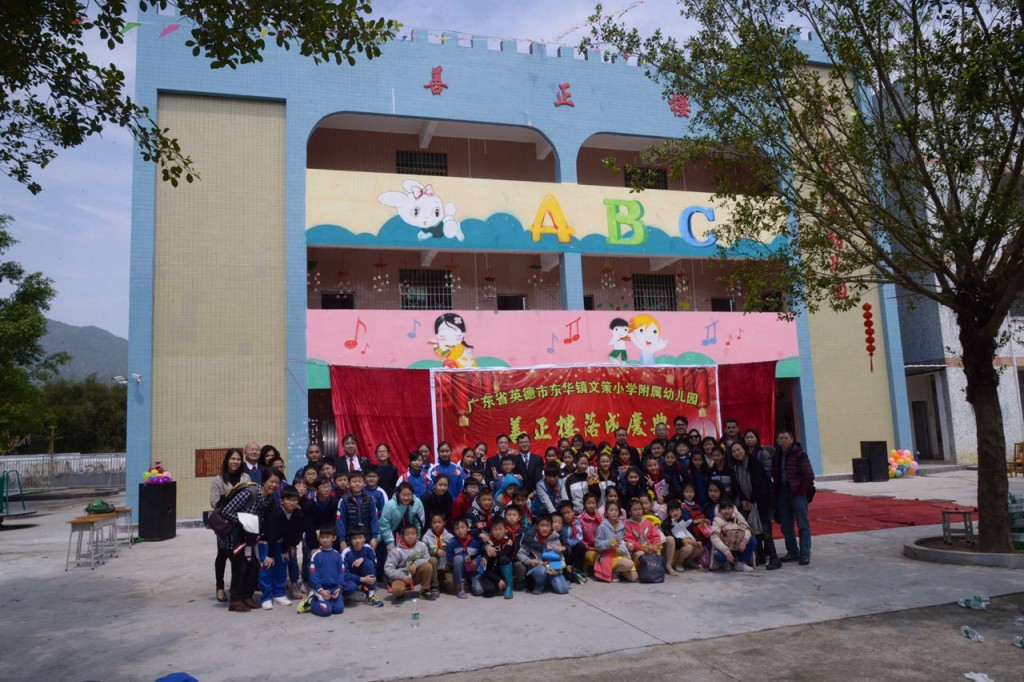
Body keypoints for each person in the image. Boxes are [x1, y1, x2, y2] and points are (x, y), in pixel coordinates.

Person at [220, 468, 282, 612]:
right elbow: (226, 511)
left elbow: (273, 517)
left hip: (250, 539)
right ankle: (235, 601)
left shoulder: (271, 499)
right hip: (234, 538)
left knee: (253, 566)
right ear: (263, 481)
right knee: (240, 567)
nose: (274, 485)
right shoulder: (249, 493)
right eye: (271, 481)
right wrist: (244, 522)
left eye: (277, 482)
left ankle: (247, 596)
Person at [731, 441, 781, 570]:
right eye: (734, 451)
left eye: (738, 449)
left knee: (765, 529)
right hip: (750, 502)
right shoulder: (737, 466)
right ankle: (761, 557)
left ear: (744, 449)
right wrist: (744, 500)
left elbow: (759, 484)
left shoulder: (753, 463)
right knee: (754, 528)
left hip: (762, 501)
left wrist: (752, 500)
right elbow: (740, 486)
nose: (736, 453)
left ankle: (774, 558)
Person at [210, 448, 250, 603]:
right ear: (227, 460)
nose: (235, 462)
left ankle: (236, 587)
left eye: (238, 459)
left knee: (238, 557)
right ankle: (220, 587)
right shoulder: (219, 479)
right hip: (225, 524)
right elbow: (214, 502)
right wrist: (230, 497)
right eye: (233, 459)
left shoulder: (245, 477)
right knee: (222, 555)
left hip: (241, 522)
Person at [772, 430, 815, 565]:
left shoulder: (800, 454)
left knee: (803, 525)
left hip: (797, 494)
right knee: (786, 525)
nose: (783, 440)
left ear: (791, 439)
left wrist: (800, 490)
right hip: (782, 493)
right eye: (781, 438)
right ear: (777, 441)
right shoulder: (777, 455)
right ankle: (792, 552)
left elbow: (809, 475)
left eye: (786, 438)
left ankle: (805, 554)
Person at [259, 486, 304, 609]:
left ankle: (279, 594)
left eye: (294, 500)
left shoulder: (297, 513)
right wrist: (270, 555)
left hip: (281, 542)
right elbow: (272, 536)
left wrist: (287, 549)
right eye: (288, 500)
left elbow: (293, 532)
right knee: (267, 568)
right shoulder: (276, 514)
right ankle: (266, 597)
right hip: (266, 543)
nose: (291, 502)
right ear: (282, 501)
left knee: (282, 566)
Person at [301, 476, 338, 587]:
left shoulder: (334, 502)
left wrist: (330, 538)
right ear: (316, 489)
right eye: (323, 487)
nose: (327, 489)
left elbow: (333, 522)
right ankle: (307, 582)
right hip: (312, 536)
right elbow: (309, 525)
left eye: (328, 486)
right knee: (310, 560)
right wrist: (314, 545)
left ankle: (325, 583)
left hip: (329, 535)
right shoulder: (309, 504)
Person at [518, 514, 569, 595]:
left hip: (553, 569)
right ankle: (540, 584)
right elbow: (520, 553)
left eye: (547, 526)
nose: (545, 528)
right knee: (541, 571)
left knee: (563, 590)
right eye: (542, 525)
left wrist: (556, 571)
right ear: (537, 527)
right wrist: (529, 561)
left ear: (551, 527)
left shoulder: (556, 538)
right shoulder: (532, 539)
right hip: (539, 568)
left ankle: (550, 581)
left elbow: (562, 562)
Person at [385, 525, 438, 603]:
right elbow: (388, 568)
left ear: (417, 535)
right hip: (401, 577)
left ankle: (424, 590)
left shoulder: (422, 545)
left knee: (427, 566)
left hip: (415, 574)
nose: (410, 537)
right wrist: (402, 576)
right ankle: (401, 593)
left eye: (413, 534)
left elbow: (426, 558)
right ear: (402, 536)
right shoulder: (396, 551)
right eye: (407, 534)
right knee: (397, 590)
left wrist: (416, 564)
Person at [335, 470, 380, 552]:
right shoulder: (344, 500)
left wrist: (374, 537)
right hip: (349, 538)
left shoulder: (370, 498)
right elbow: (340, 521)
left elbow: (374, 518)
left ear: (364, 483)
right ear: (348, 484)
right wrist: (342, 540)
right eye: (354, 481)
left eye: (360, 481)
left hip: (367, 537)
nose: (357, 484)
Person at [306, 526, 345, 617]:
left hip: (334, 589)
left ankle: (327, 603)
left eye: (327, 537)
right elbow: (313, 574)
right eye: (322, 537)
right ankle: (311, 601)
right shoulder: (316, 555)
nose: (324, 540)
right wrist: (320, 590)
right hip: (321, 588)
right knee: (326, 611)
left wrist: (339, 587)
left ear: (334, 538)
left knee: (339, 609)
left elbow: (341, 573)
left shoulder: (338, 555)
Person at [341, 526, 384, 607]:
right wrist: (361, 579)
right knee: (350, 587)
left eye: (360, 537)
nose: (358, 541)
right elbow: (343, 574)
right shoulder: (346, 552)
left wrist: (363, 559)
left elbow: (374, 564)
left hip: (365, 579)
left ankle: (371, 595)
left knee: (369, 563)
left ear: (364, 538)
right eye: (354, 538)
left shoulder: (368, 548)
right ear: (350, 540)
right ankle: (347, 595)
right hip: (352, 580)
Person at [593, 502, 636, 583]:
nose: (614, 512)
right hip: (607, 556)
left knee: (634, 577)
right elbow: (597, 545)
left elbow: (623, 540)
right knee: (629, 564)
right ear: (606, 513)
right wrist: (609, 542)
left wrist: (627, 544)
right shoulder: (602, 527)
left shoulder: (622, 525)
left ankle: (619, 570)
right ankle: (615, 571)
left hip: (621, 554)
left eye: (616, 510)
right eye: (611, 510)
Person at [709, 498, 757, 572]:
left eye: (729, 508)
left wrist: (744, 541)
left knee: (753, 541)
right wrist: (726, 552)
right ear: (720, 510)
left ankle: (741, 562)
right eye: (724, 509)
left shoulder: (737, 516)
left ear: (732, 509)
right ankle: (726, 563)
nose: (727, 511)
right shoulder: (717, 520)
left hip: (738, 547)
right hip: (725, 549)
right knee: (719, 555)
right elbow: (714, 538)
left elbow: (747, 529)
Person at [378, 482, 426, 552]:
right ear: (398, 494)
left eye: (409, 495)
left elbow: (420, 522)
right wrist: (390, 543)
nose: (406, 498)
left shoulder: (417, 503)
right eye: (403, 495)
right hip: (391, 531)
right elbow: (384, 525)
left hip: (410, 529)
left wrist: (417, 538)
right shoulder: (390, 505)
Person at [478, 517, 516, 599]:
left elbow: (506, 553)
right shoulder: (488, 544)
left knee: (504, 559)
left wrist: (492, 553)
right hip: (492, 573)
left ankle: (509, 586)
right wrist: (498, 580)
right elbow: (486, 569)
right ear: (491, 531)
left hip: (505, 571)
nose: (498, 532)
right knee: (488, 591)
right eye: (495, 529)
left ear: (505, 529)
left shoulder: (509, 540)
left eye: (500, 529)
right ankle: (500, 585)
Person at [445, 517, 482, 597]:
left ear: (467, 528)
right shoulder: (452, 542)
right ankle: (459, 587)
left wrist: (476, 560)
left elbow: (482, 553)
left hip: (473, 569)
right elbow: (449, 557)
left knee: (478, 591)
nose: (460, 530)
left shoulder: (476, 540)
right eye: (457, 529)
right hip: (460, 570)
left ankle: (470, 582)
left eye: (462, 527)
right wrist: (463, 555)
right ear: (453, 531)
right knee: (458, 558)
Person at [661, 499, 700, 573]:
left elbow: (692, 531)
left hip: (687, 542)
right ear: (668, 513)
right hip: (675, 548)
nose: (675, 513)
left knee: (699, 547)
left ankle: (688, 561)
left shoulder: (684, 519)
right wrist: (685, 541)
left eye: (677, 510)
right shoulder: (666, 523)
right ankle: (678, 563)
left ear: (681, 510)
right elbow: (671, 539)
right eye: (672, 511)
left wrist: (697, 540)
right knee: (689, 548)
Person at [623, 499, 665, 567]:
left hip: (650, 547)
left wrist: (654, 545)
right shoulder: (627, 525)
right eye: (635, 510)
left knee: (657, 552)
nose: (638, 511)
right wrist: (641, 547)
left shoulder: (648, 523)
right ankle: (641, 570)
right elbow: (629, 540)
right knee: (640, 554)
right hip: (636, 550)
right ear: (629, 512)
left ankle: (656, 570)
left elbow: (655, 536)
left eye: (640, 509)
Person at [557, 500, 588, 584]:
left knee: (581, 547)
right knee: (569, 579)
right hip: (564, 551)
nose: (566, 515)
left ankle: (578, 570)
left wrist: (568, 544)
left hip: (572, 548)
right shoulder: (559, 524)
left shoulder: (576, 522)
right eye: (563, 513)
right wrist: (566, 545)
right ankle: (565, 570)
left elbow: (579, 538)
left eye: (568, 512)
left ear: (573, 512)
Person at [423, 513, 454, 593]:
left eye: (439, 522)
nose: (437, 525)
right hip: (434, 566)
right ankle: (435, 584)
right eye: (434, 522)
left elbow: (454, 552)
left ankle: (443, 580)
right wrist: (436, 551)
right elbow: (423, 553)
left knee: (451, 586)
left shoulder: (450, 537)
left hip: (446, 565)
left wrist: (449, 563)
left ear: (444, 523)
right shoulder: (426, 537)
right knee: (433, 560)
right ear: (430, 524)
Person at [577, 492, 602, 572]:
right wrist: (591, 548)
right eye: (588, 503)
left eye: (593, 503)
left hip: (599, 547)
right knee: (602, 558)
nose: (591, 505)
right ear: (584, 504)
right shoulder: (579, 520)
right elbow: (579, 540)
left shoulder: (599, 517)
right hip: (588, 549)